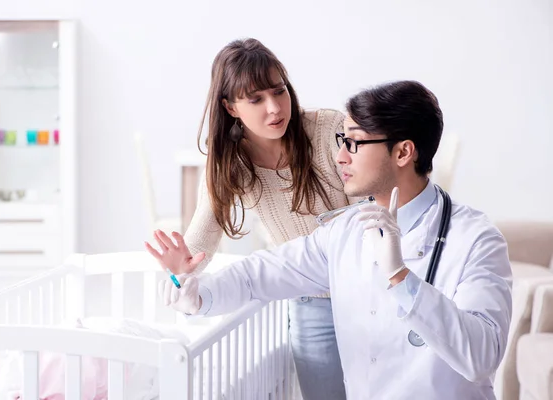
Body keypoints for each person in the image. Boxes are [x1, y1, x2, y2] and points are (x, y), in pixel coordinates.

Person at [156, 80, 513, 399]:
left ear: (403, 152)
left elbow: (482, 357)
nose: (340, 156)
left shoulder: (476, 239)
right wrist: (198, 293)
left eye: (355, 143)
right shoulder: (344, 232)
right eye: (343, 140)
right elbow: (258, 274)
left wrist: (401, 278)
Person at [146, 38, 355, 399]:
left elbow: (375, 208)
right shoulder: (231, 162)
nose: (275, 108)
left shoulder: (327, 129)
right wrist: (182, 269)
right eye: (255, 99)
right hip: (311, 301)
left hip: (368, 290)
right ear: (230, 107)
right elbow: (202, 237)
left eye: (279, 91)